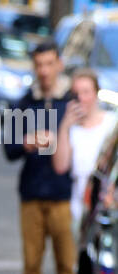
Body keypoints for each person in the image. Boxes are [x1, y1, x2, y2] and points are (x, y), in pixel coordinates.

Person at [4, 40, 74, 274]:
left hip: (64, 195)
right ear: (34, 67)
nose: (44, 71)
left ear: (58, 64)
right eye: (39, 65)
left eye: (49, 64)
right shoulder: (24, 104)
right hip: (31, 194)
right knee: (31, 267)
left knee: (66, 268)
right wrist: (27, 143)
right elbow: (8, 149)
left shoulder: (70, 102)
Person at [52, 67, 114, 234]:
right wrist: (64, 126)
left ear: (96, 93)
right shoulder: (71, 130)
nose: (81, 98)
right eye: (76, 93)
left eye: (86, 92)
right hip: (80, 212)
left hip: (108, 209)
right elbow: (60, 166)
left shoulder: (112, 125)